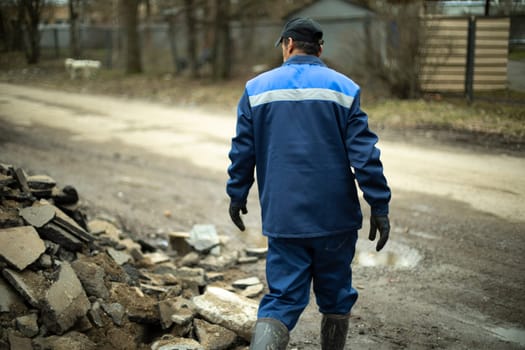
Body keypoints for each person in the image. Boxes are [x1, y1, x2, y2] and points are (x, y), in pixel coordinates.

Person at [226, 17, 391, 350]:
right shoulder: (345, 88)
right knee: (336, 296)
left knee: (282, 297)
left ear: (287, 45)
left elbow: (243, 150)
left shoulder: (257, 89)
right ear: (320, 48)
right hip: (336, 219)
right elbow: (364, 156)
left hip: (285, 218)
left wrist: (237, 192)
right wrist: (379, 204)